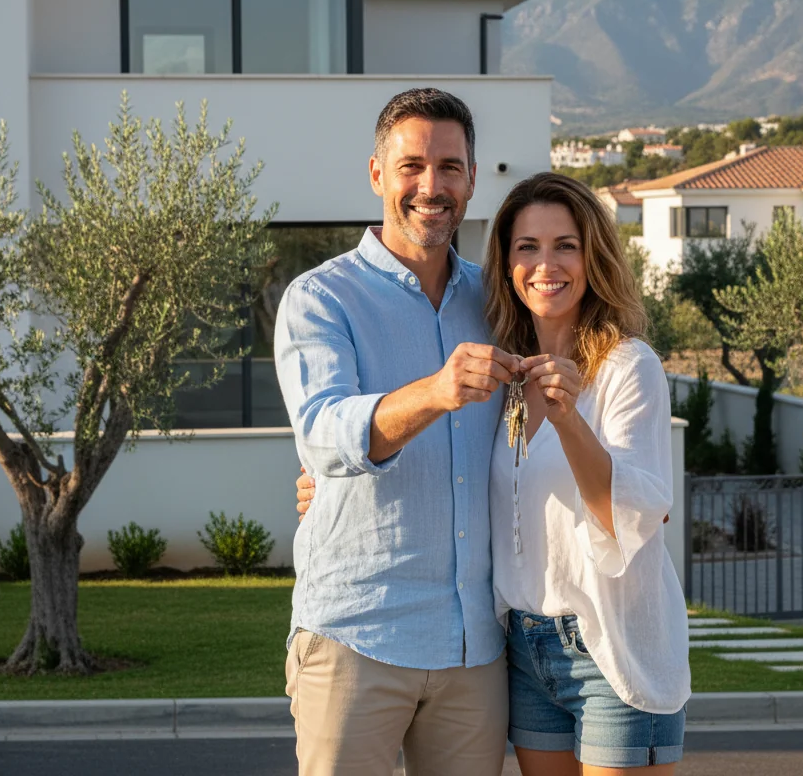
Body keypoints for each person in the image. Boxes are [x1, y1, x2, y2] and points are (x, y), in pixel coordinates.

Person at [297, 170, 691, 774]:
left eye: (566, 245)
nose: (545, 264)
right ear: (505, 265)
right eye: (526, 247)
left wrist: (569, 422)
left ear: (595, 257)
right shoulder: (503, 371)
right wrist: (323, 485)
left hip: (612, 648)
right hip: (523, 651)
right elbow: (411, 450)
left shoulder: (627, 367)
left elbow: (637, 514)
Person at [275, 88, 517, 776]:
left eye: (450, 167)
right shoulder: (321, 298)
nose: (431, 186)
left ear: (472, 178)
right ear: (378, 174)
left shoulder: (498, 300)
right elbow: (323, 434)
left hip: (476, 647)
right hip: (357, 638)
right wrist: (436, 392)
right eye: (412, 165)